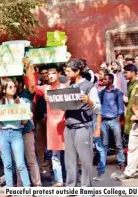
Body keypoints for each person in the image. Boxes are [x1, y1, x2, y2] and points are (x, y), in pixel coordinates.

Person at [27, 63, 66, 187]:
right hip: (52, 127)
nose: (50, 75)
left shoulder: (66, 87)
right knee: (55, 156)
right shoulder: (46, 88)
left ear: (59, 74)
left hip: (66, 126)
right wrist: (29, 68)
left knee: (69, 155)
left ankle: (71, 179)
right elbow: (32, 88)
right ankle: (59, 181)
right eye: (49, 73)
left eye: (53, 73)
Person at [64, 58, 101, 187]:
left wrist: (89, 101)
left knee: (85, 161)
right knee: (69, 161)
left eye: (68, 71)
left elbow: (98, 108)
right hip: (68, 127)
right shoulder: (69, 87)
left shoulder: (89, 87)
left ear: (77, 71)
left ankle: (86, 189)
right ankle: (70, 188)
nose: (66, 74)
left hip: (83, 128)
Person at [0, 78, 31, 189]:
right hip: (3, 134)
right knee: (7, 164)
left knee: (20, 163)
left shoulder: (21, 102)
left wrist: (27, 117)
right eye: (10, 87)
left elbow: (23, 122)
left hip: (16, 133)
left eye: (14, 86)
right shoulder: (0, 103)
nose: (13, 89)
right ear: (4, 89)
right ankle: (9, 188)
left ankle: (27, 188)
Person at [95, 74, 125, 181]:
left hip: (114, 120)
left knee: (118, 143)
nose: (103, 80)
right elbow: (98, 106)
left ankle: (121, 163)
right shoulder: (101, 93)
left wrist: (117, 119)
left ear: (111, 80)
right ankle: (102, 165)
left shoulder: (117, 92)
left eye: (105, 79)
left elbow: (120, 107)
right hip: (104, 121)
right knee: (104, 144)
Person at [123, 64, 138, 148]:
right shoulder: (128, 84)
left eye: (126, 72)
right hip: (130, 115)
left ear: (133, 72)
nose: (124, 74)